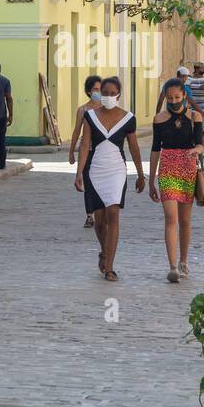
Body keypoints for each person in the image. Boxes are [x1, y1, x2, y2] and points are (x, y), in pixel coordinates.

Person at [75, 75, 145, 282]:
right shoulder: (91, 116)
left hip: (116, 170)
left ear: (119, 95)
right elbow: (85, 145)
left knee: (113, 212)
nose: (108, 96)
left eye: (113, 94)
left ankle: (110, 267)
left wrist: (141, 174)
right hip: (95, 171)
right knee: (99, 222)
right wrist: (79, 172)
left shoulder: (128, 118)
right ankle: (104, 251)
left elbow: (133, 146)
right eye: (104, 93)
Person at [149, 76, 204, 282]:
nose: (173, 101)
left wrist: (195, 151)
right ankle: (172, 266)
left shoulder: (194, 117)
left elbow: (200, 144)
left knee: (185, 220)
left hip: (188, 167)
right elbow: (155, 149)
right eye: (169, 98)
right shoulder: (159, 119)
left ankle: (183, 261)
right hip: (167, 168)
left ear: (184, 96)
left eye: (177, 97)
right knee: (170, 217)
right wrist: (151, 179)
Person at [69, 75, 102, 229]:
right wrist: (71, 151)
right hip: (87, 151)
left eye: (100, 89)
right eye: (95, 89)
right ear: (89, 91)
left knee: (101, 184)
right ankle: (90, 215)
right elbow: (76, 131)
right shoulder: (83, 110)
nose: (98, 92)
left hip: (102, 152)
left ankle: (102, 213)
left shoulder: (106, 109)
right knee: (88, 183)